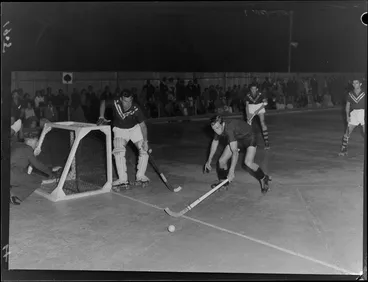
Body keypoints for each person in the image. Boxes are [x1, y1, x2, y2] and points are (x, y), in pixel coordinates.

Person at [97, 89, 150, 191]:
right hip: (120, 130)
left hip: (134, 129)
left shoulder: (136, 108)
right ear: (121, 99)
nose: (128, 104)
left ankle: (141, 176)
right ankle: (122, 179)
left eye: (130, 101)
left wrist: (146, 142)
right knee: (119, 151)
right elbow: (103, 102)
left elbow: (143, 126)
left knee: (144, 150)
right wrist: (101, 116)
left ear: (132, 99)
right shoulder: (115, 102)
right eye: (125, 101)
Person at [204, 115, 271, 193]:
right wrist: (209, 161)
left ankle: (263, 177)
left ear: (222, 124)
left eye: (217, 128)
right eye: (214, 129)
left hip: (249, 139)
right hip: (237, 139)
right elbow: (215, 142)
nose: (216, 131)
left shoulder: (229, 129)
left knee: (248, 163)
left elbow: (235, 152)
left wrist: (231, 171)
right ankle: (223, 183)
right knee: (222, 161)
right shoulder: (218, 128)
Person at [10, 132, 58, 205]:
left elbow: (20, 160)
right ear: (29, 141)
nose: (37, 144)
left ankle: (12, 193)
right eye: (36, 142)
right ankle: (15, 195)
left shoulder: (17, 145)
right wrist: (50, 171)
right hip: (11, 174)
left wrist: (33, 154)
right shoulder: (27, 148)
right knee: (37, 181)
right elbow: (37, 165)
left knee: (27, 176)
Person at [338, 79, 365, 156]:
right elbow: (347, 105)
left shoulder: (364, 93)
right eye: (353, 83)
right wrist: (347, 116)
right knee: (347, 132)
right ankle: (344, 149)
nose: (355, 84)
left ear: (360, 84)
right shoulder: (350, 94)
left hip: (363, 113)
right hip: (354, 113)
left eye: (356, 83)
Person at [244, 83, 270, 149]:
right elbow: (247, 106)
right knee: (249, 124)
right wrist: (248, 116)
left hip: (260, 106)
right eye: (252, 89)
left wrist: (258, 110)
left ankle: (267, 143)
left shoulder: (261, 94)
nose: (253, 90)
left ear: (257, 89)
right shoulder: (247, 95)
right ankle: (250, 143)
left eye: (255, 89)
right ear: (250, 89)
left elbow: (265, 103)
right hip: (251, 107)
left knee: (262, 123)